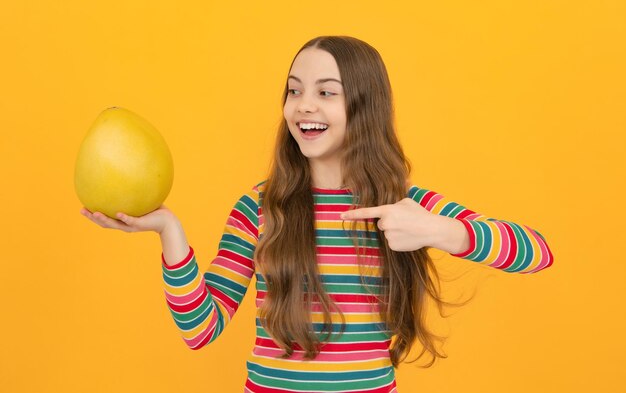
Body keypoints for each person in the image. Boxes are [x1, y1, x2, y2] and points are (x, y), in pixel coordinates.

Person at [80, 36, 554, 393]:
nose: (303, 105)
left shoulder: (403, 205)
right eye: (293, 91)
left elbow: (537, 252)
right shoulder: (259, 208)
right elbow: (202, 330)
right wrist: (168, 229)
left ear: (364, 106)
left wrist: (438, 229)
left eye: (327, 92)